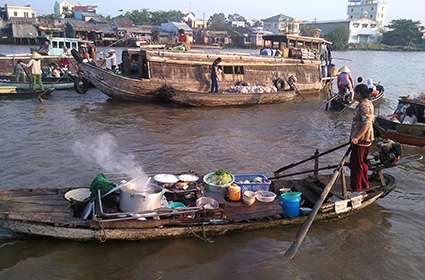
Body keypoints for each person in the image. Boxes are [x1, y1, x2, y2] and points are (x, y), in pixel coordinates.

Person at [350, 84, 374, 193]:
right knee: (362, 162)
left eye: (355, 93)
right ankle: (364, 184)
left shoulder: (363, 106)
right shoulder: (368, 103)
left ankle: (357, 188)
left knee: (356, 164)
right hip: (365, 138)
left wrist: (356, 138)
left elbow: (366, 124)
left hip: (362, 139)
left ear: (359, 94)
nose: (354, 94)